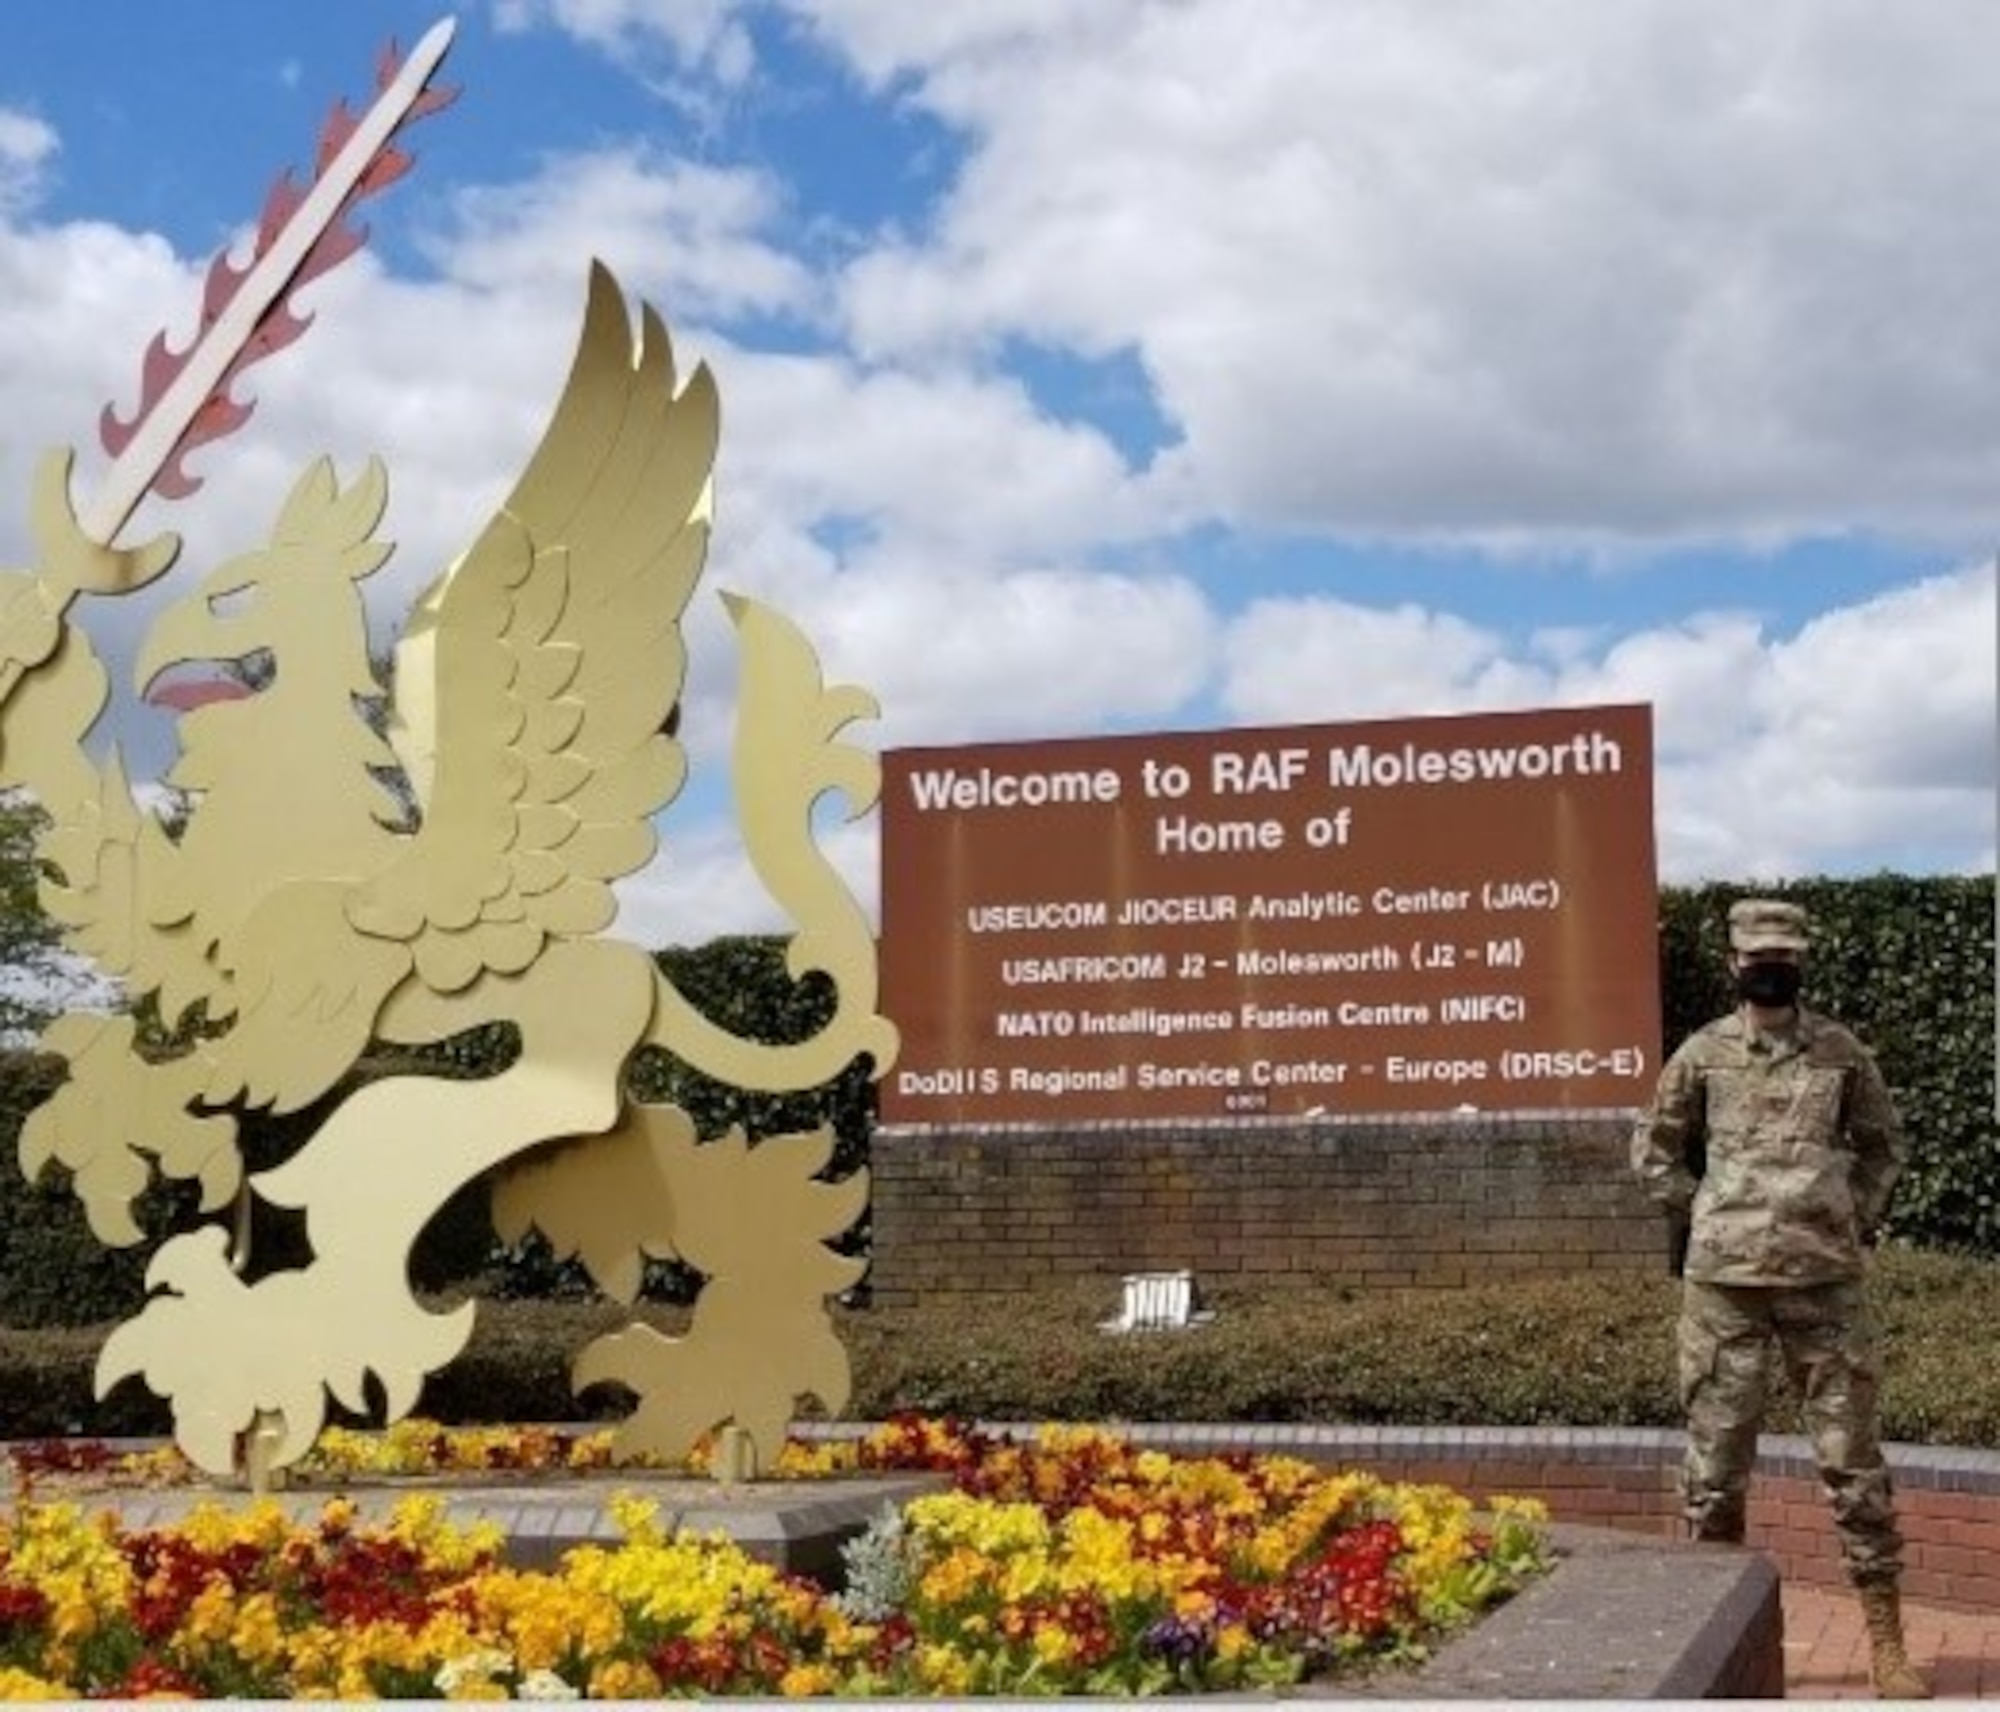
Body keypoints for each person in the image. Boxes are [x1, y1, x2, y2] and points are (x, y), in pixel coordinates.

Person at [1631, 897, 1929, 1700]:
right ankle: (1719, 1649)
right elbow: (1653, 1151)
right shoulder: (1701, 1055)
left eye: (1785, 956)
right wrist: (1706, 1213)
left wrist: (1848, 1215)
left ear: (1801, 963)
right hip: (1725, 1291)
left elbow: (1883, 1145)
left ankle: (1887, 1645)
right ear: (1734, 962)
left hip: (1825, 1287)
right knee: (1715, 1477)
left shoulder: (1839, 1054)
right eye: (1759, 954)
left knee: (1853, 1465)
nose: (1771, 966)